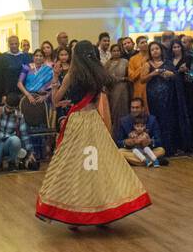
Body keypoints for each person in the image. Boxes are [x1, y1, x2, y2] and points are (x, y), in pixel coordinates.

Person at [36, 41, 150, 228]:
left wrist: (55, 78)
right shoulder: (99, 75)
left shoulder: (72, 75)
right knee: (95, 167)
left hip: (77, 124)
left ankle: (76, 215)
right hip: (94, 122)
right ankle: (101, 211)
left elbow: (56, 101)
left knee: (74, 167)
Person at [143, 41, 190, 156]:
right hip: (154, 96)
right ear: (150, 52)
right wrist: (154, 73)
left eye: (157, 49)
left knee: (169, 120)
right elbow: (142, 79)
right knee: (157, 120)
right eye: (152, 49)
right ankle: (159, 147)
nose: (155, 51)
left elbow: (176, 76)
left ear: (161, 50)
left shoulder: (168, 63)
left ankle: (171, 148)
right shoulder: (147, 64)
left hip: (169, 97)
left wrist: (171, 74)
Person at [0, 93, 34, 173]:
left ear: (16, 107)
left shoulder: (19, 116)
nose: (8, 110)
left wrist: (30, 153)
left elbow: (25, 135)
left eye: (11, 108)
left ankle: (12, 162)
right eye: (7, 107)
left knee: (15, 140)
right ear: (5, 103)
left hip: (9, 143)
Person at [114, 98, 166, 167]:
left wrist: (149, 141)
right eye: (132, 107)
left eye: (137, 107)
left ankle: (140, 161)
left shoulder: (152, 120)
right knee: (120, 152)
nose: (134, 110)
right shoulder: (123, 121)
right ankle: (153, 161)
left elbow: (159, 141)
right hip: (133, 151)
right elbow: (118, 142)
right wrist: (127, 142)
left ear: (143, 108)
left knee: (161, 150)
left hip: (148, 150)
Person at [105, 42, 132, 130]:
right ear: (111, 52)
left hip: (123, 88)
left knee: (124, 109)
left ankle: (125, 129)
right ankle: (115, 131)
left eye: (118, 51)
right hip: (112, 89)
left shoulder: (125, 62)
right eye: (114, 51)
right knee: (114, 109)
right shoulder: (107, 63)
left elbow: (129, 76)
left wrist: (123, 79)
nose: (116, 52)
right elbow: (105, 77)